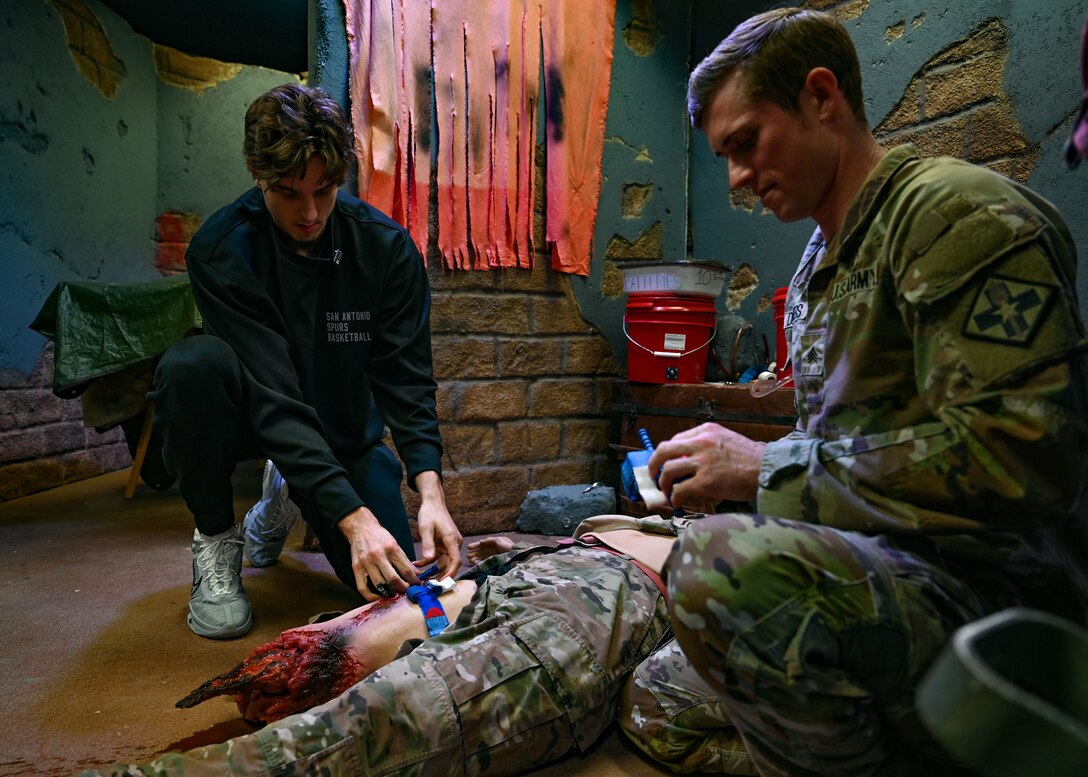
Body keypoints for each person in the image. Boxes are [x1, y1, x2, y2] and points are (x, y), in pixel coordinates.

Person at [620, 7, 1088, 777]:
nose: (737, 178)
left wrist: (765, 471)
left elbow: (1020, 458)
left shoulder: (953, 215)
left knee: (717, 570)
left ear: (820, 96)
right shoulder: (819, 262)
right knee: (656, 695)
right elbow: (857, 453)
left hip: (991, 602)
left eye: (745, 144)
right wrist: (747, 477)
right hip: (888, 572)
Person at [149, 82, 463, 640]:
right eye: (288, 193)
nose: (310, 213)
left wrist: (431, 492)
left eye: (325, 190)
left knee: (386, 582)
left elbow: (406, 379)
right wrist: (352, 517)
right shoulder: (222, 249)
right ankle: (219, 540)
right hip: (252, 414)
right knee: (190, 367)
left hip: (338, 429)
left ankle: (284, 492)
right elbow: (273, 394)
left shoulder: (385, 249)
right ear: (255, 171)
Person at [76, 515, 679, 776]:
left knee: (380, 725)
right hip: (537, 571)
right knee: (403, 661)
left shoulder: (735, 547)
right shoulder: (651, 524)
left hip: (599, 603)